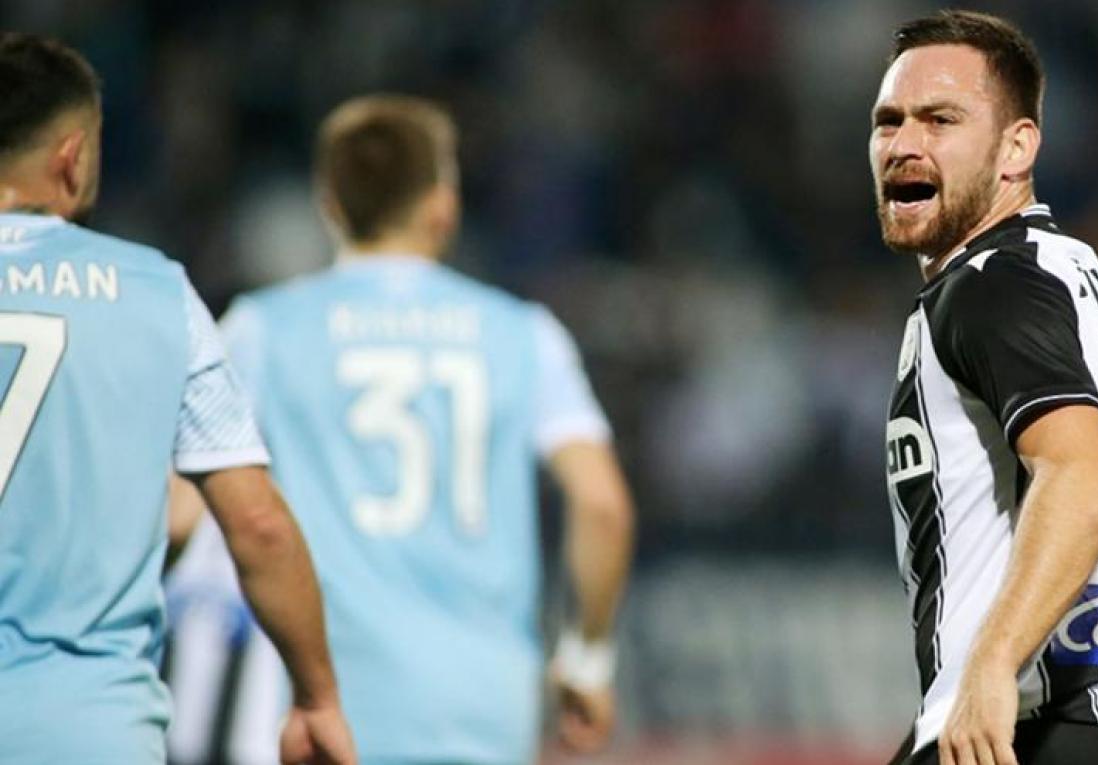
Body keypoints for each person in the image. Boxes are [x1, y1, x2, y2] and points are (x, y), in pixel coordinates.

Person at [171, 94, 635, 764]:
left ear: (329, 204)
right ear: (442, 205)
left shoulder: (264, 328)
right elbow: (602, 504)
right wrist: (587, 659)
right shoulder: (525, 334)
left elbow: (180, 514)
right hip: (488, 703)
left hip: (339, 702)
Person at [868, 11, 1098, 765]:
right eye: (889, 121)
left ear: (1017, 147)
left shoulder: (992, 283)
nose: (903, 144)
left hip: (1050, 728)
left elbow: (1082, 479)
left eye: (940, 120)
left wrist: (993, 664)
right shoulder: (1048, 267)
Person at [0, 33, 355, 764]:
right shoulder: (157, 294)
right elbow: (257, 524)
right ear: (73, 156)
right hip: (89, 727)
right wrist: (317, 696)